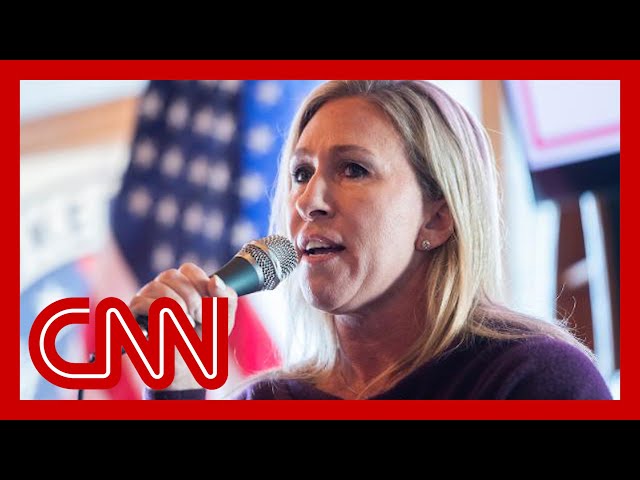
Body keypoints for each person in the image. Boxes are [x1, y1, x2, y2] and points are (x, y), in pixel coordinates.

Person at [130, 80, 613, 400]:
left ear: (437, 219)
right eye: (301, 173)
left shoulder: (534, 380)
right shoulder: (266, 400)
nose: (309, 200)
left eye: (353, 169)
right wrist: (178, 388)